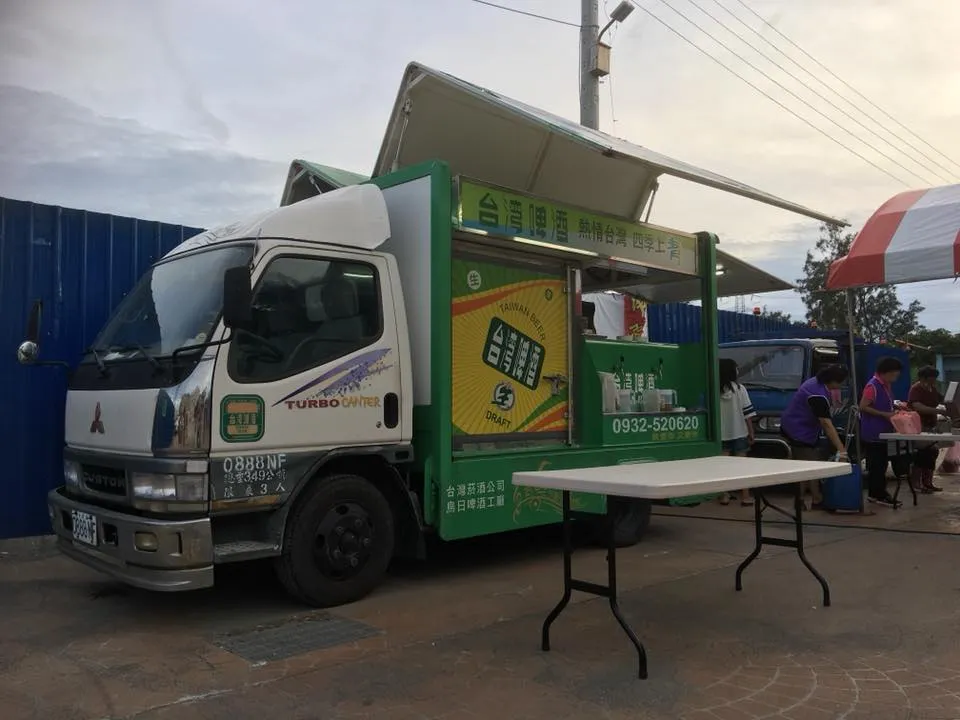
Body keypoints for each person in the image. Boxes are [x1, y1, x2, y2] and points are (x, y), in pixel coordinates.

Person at [780, 364, 849, 508]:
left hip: (799, 427)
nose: (841, 386)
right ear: (833, 381)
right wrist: (841, 449)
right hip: (798, 429)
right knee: (810, 464)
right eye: (840, 383)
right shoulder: (817, 394)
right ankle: (813, 499)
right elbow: (826, 423)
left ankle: (805, 500)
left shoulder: (816, 382)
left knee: (806, 463)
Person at [859, 356, 904, 507]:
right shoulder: (872, 386)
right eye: (894, 374)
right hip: (873, 433)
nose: (895, 377)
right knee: (876, 466)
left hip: (885, 432)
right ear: (885, 372)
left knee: (882, 464)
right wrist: (884, 414)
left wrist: (896, 408)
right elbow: (863, 406)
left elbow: (887, 404)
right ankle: (876, 494)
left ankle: (879, 492)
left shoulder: (886, 385)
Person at [717, 358, 756, 506]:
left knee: (723, 467)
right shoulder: (740, 389)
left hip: (720, 434)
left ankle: (724, 495)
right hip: (739, 432)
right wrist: (751, 432)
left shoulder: (714, 389)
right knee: (742, 466)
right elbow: (748, 414)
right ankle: (745, 497)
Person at [907, 365, 944, 493]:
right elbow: (917, 406)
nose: (933, 381)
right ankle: (916, 483)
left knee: (933, 452)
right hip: (919, 425)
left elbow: (941, 399)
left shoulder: (932, 388)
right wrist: (937, 410)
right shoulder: (916, 389)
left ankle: (927, 481)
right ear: (924, 378)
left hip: (931, 424)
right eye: (931, 378)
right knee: (921, 453)